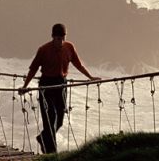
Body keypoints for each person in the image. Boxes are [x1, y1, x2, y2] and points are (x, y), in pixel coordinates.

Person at [18, 23, 101, 154]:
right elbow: (33, 69)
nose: (61, 41)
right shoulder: (43, 50)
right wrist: (25, 87)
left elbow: (78, 65)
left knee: (60, 119)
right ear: (52, 37)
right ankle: (52, 153)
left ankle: (43, 138)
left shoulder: (69, 47)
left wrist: (90, 77)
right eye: (58, 38)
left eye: (63, 38)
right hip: (46, 85)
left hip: (62, 84)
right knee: (50, 116)